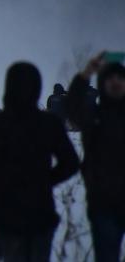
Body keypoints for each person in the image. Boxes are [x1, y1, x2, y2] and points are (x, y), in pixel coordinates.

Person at [0, 62, 79, 262]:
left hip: (6, 214)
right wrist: (47, 180)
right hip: (40, 212)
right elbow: (70, 162)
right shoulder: (48, 123)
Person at [65, 55, 125, 262]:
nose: (116, 81)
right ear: (102, 83)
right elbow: (71, 105)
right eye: (110, 78)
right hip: (103, 205)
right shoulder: (93, 116)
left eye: (121, 77)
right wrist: (86, 73)